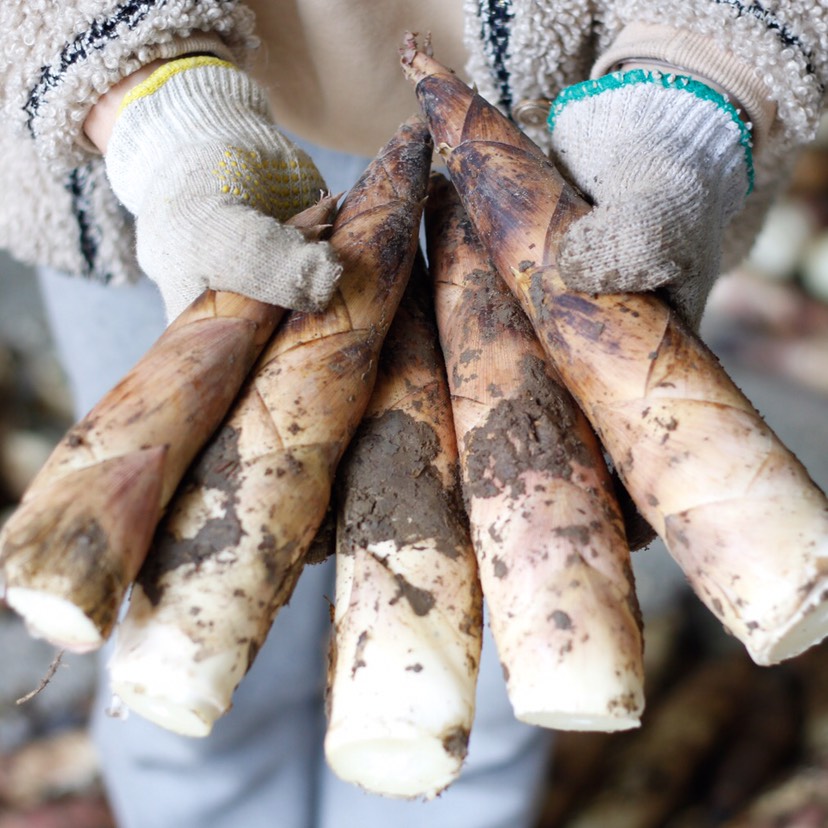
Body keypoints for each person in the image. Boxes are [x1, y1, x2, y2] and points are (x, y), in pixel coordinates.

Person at [0, 2, 825, 827]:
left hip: (580, 150)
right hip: (176, 158)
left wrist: (684, 104)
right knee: (184, 599)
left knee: (505, 669)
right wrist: (158, 117)